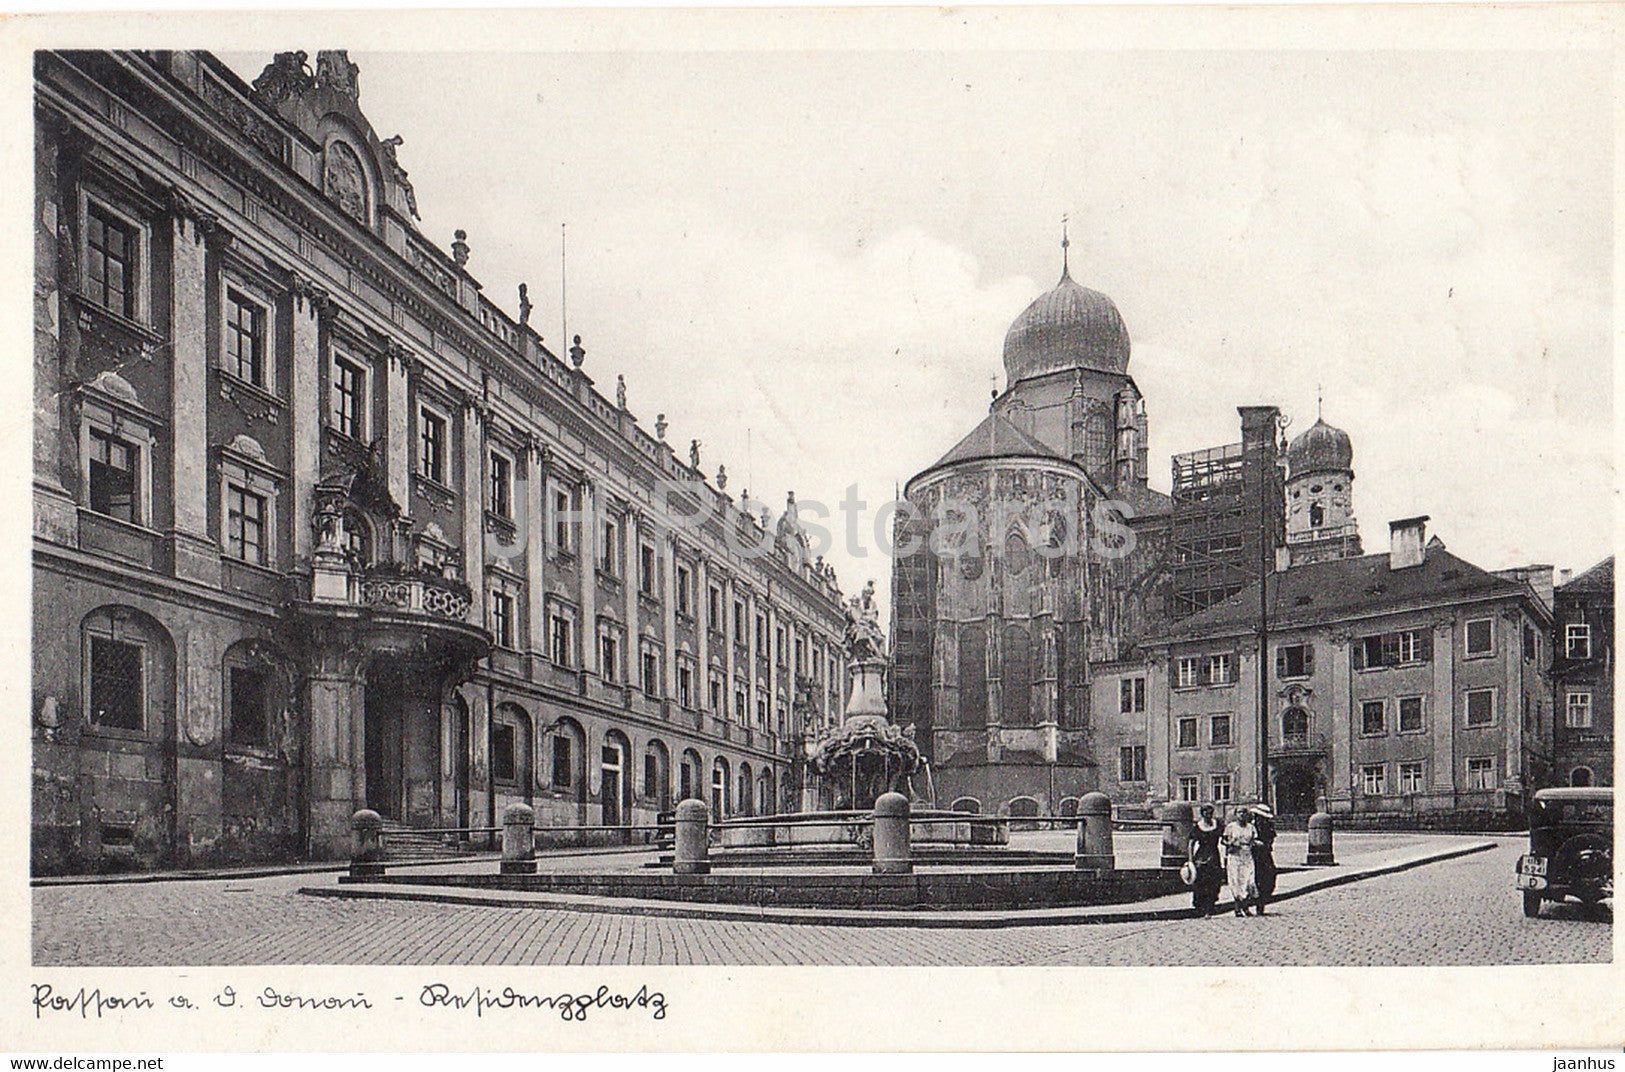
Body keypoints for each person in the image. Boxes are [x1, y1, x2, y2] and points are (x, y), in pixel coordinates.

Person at [1222, 806, 1260, 916]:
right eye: (1239, 812)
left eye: (1244, 812)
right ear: (1236, 814)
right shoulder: (1231, 827)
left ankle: (1246, 906)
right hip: (1235, 856)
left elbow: (1254, 840)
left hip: (1247, 855)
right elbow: (1224, 840)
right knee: (1236, 881)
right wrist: (1231, 843)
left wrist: (1255, 844)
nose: (1242, 814)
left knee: (1249, 881)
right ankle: (1238, 908)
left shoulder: (1251, 827)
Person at [1188, 803, 1224, 917]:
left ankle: (1210, 906)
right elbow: (1191, 843)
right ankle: (1201, 907)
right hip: (1201, 855)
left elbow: (1224, 838)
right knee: (1201, 882)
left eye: (1210, 813)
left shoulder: (1217, 825)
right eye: (1206, 813)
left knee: (1214, 882)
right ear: (1202, 814)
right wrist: (1190, 859)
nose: (1208, 815)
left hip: (1214, 854)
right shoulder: (1198, 827)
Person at [1250, 803, 1278, 915]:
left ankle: (1262, 902)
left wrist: (1267, 844)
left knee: (1269, 876)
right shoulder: (1251, 826)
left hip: (1265, 854)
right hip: (1253, 854)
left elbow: (1272, 838)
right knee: (1256, 878)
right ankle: (1258, 904)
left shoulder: (1268, 826)